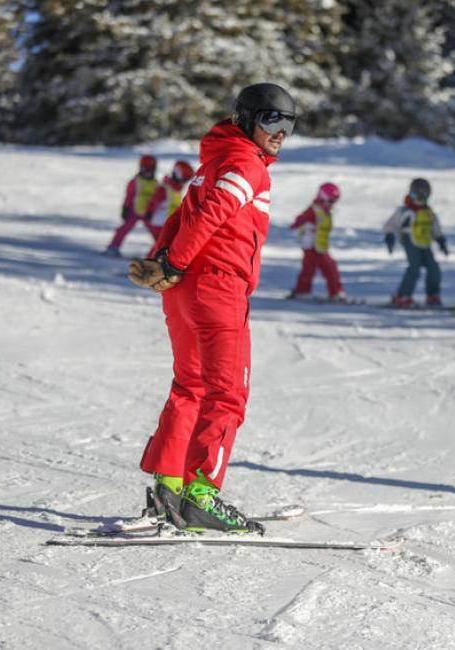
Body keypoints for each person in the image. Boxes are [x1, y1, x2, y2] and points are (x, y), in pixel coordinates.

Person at [126, 82, 297, 535]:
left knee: (191, 385)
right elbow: (209, 214)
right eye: (271, 120)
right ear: (246, 119)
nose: (280, 132)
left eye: (289, 124)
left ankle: (168, 488)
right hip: (218, 288)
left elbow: (182, 214)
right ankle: (200, 496)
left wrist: (163, 261)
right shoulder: (246, 164)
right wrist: (174, 260)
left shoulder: (216, 159)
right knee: (227, 393)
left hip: (185, 288)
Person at [383, 178, 449, 307]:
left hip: (425, 243)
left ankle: (432, 295)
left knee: (434, 268)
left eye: (425, 195)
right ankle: (403, 296)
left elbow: (435, 228)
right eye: (420, 195)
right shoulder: (405, 211)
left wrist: (441, 241)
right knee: (414, 268)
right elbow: (391, 225)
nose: (422, 199)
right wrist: (390, 237)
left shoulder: (428, 212)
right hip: (410, 242)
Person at [287, 182, 348, 302]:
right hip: (311, 246)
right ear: (323, 197)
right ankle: (302, 291)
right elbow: (299, 220)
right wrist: (304, 226)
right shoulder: (314, 210)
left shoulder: (326, 212)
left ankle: (336, 292)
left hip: (321, 247)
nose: (332, 204)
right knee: (308, 269)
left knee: (331, 269)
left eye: (334, 202)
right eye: (330, 201)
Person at [104, 154, 159, 257]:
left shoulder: (155, 183)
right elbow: (129, 196)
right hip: (134, 211)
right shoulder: (135, 182)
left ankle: (160, 250)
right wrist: (125, 208)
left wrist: (152, 211)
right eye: (146, 169)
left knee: (158, 232)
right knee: (124, 228)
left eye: (151, 170)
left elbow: (156, 199)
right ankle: (113, 247)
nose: (148, 172)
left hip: (148, 212)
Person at [145, 160, 195, 241]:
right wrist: (149, 212)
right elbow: (154, 201)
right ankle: (153, 254)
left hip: (169, 222)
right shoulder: (165, 188)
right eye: (184, 180)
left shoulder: (178, 190)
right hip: (159, 223)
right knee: (162, 245)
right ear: (178, 176)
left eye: (186, 180)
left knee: (163, 245)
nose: (184, 183)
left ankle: (153, 253)